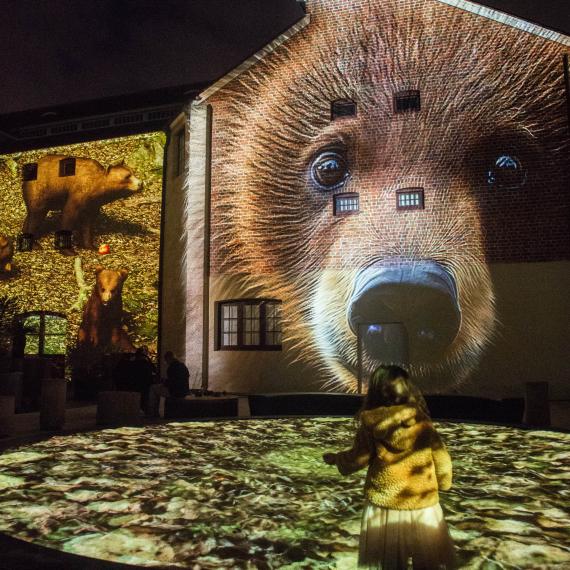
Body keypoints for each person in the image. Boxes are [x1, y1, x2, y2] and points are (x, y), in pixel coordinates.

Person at [323, 365, 457, 570]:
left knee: (391, 564)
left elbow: (358, 459)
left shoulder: (370, 425)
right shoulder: (422, 422)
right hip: (423, 502)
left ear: (375, 391)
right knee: (428, 563)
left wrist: (337, 459)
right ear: (407, 388)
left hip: (385, 504)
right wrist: (444, 483)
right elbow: (442, 457)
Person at [147, 351, 190, 416]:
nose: (166, 362)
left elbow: (171, 383)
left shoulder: (171, 368)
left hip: (174, 392)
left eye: (166, 360)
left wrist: (163, 382)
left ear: (168, 359)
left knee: (153, 388)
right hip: (184, 391)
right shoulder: (183, 366)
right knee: (157, 388)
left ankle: (152, 412)